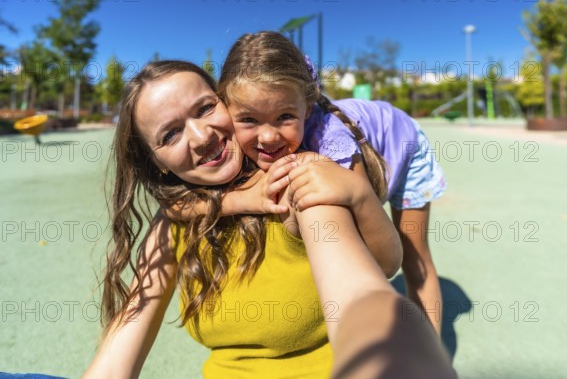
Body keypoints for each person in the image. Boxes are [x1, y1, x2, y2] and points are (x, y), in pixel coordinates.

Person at [83, 60, 405, 378]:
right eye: (170, 135)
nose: (200, 136)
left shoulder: (293, 181)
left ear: (228, 100)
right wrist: (239, 200)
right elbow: (116, 360)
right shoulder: (173, 222)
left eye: (205, 108)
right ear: (157, 164)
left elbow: (357, 296)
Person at [214, 31, 447, 333]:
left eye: (284, 117)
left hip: (404, 143)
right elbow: (178, 204)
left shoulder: (331, 143)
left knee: (415, 263)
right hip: (372, 130)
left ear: (306, 109)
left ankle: (435, 360)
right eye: (248, 120)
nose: (268, 137)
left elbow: (383, 263)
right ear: (226, 110)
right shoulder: (220, 140)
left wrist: (359, 193)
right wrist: (237, 200)